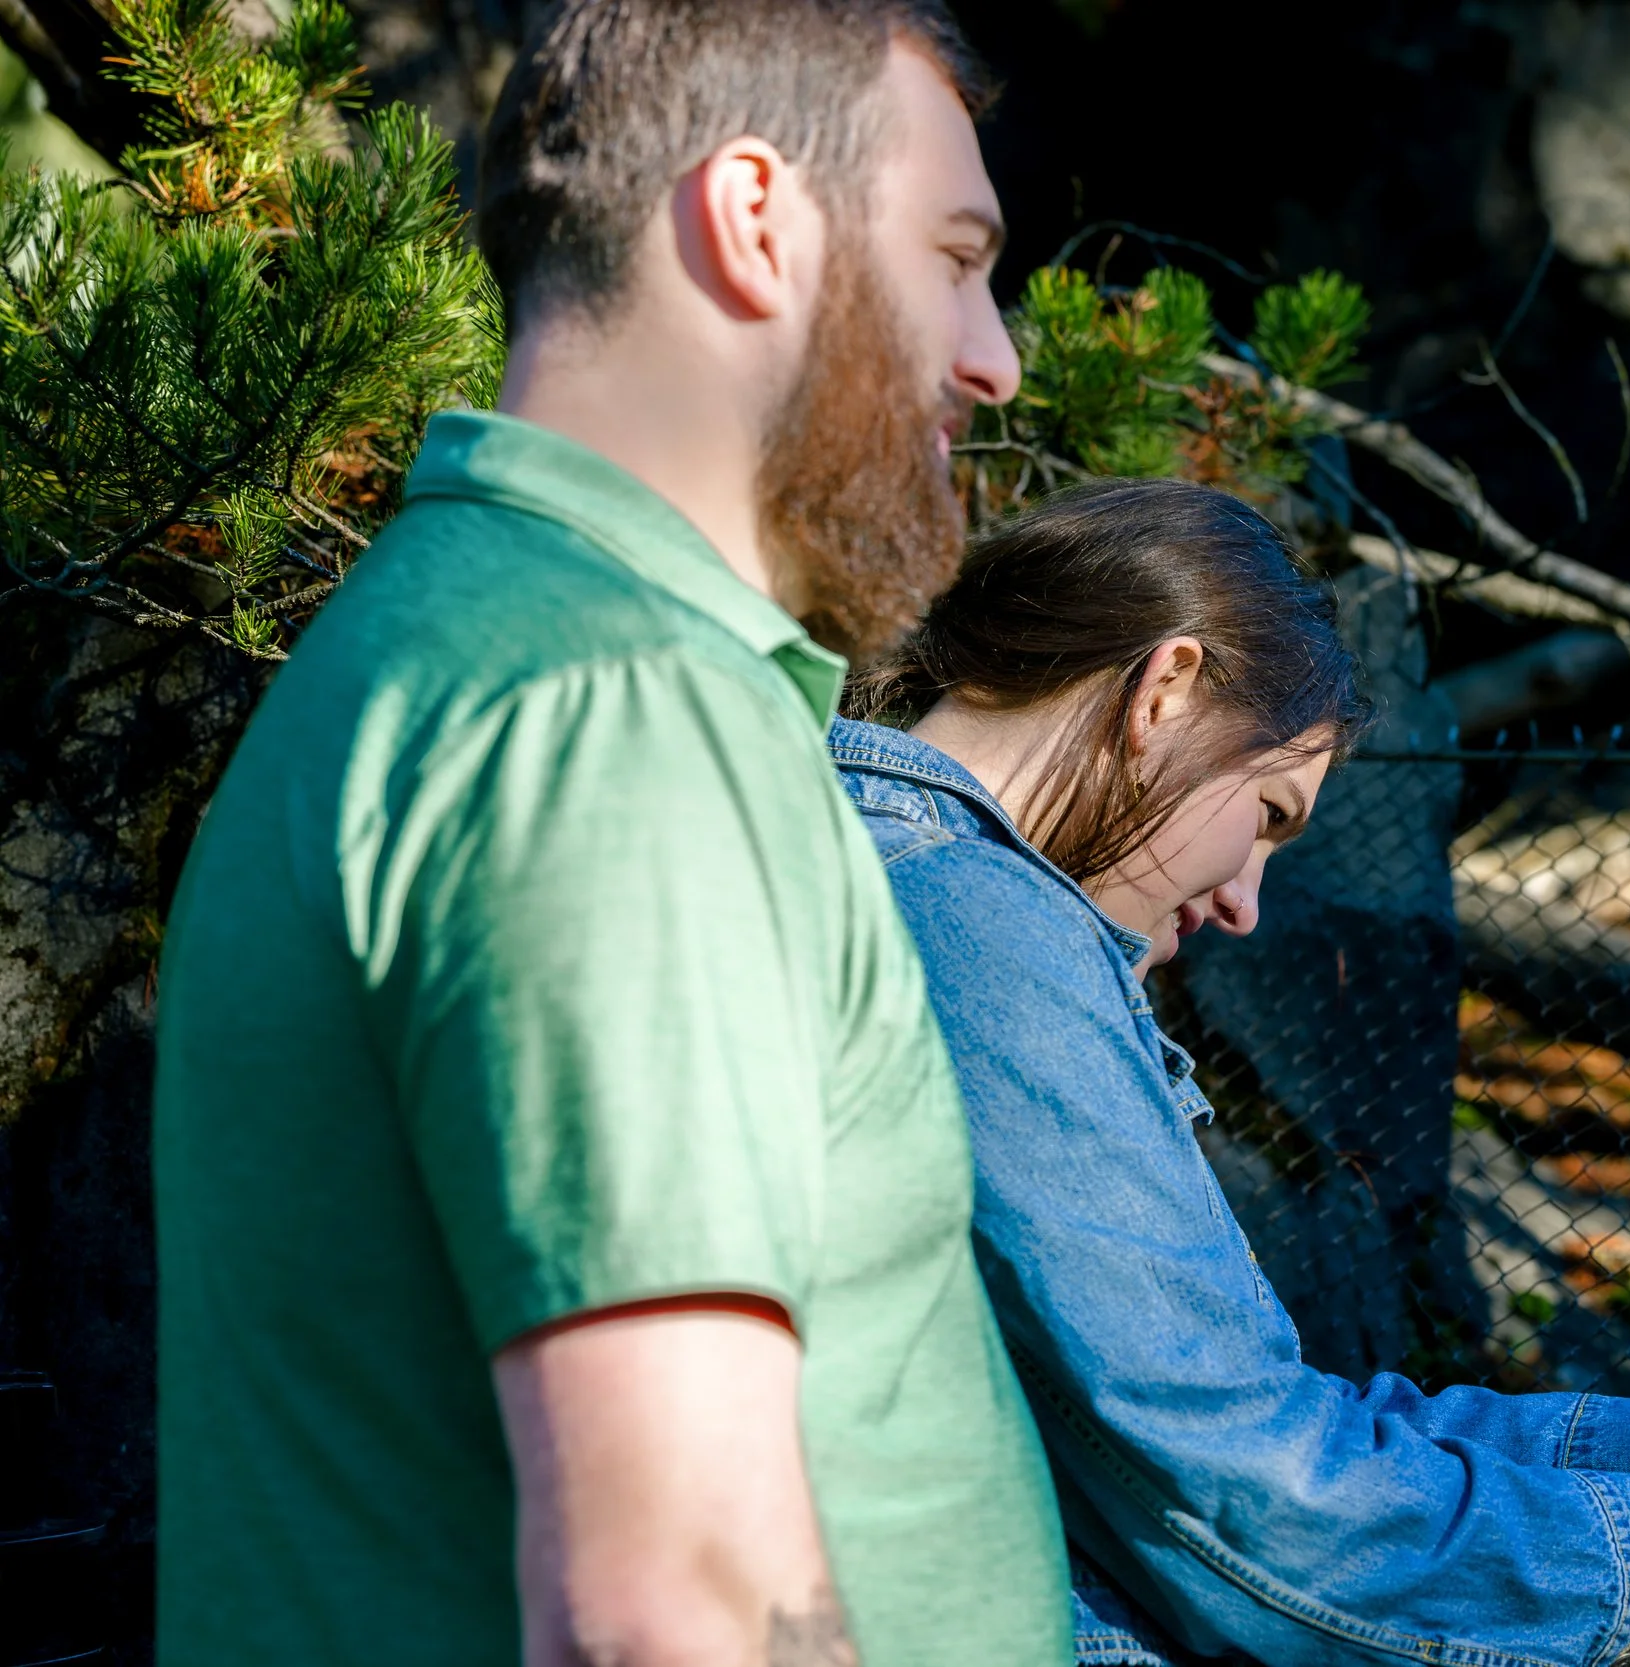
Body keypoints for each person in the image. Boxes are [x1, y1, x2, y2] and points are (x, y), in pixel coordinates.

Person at [151, 5, 1068, 1665]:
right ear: (753, 219)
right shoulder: (612, 718)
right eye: (954, 257)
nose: (995, 356)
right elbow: (676, 1607)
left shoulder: (480, 647)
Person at [832, 476, 1630, 1667]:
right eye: (1268, 815)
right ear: (1167, 689)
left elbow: (1229, 1426)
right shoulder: (969, 921)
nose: (1248, 903)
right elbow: (1258, 1494)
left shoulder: (889, 880)